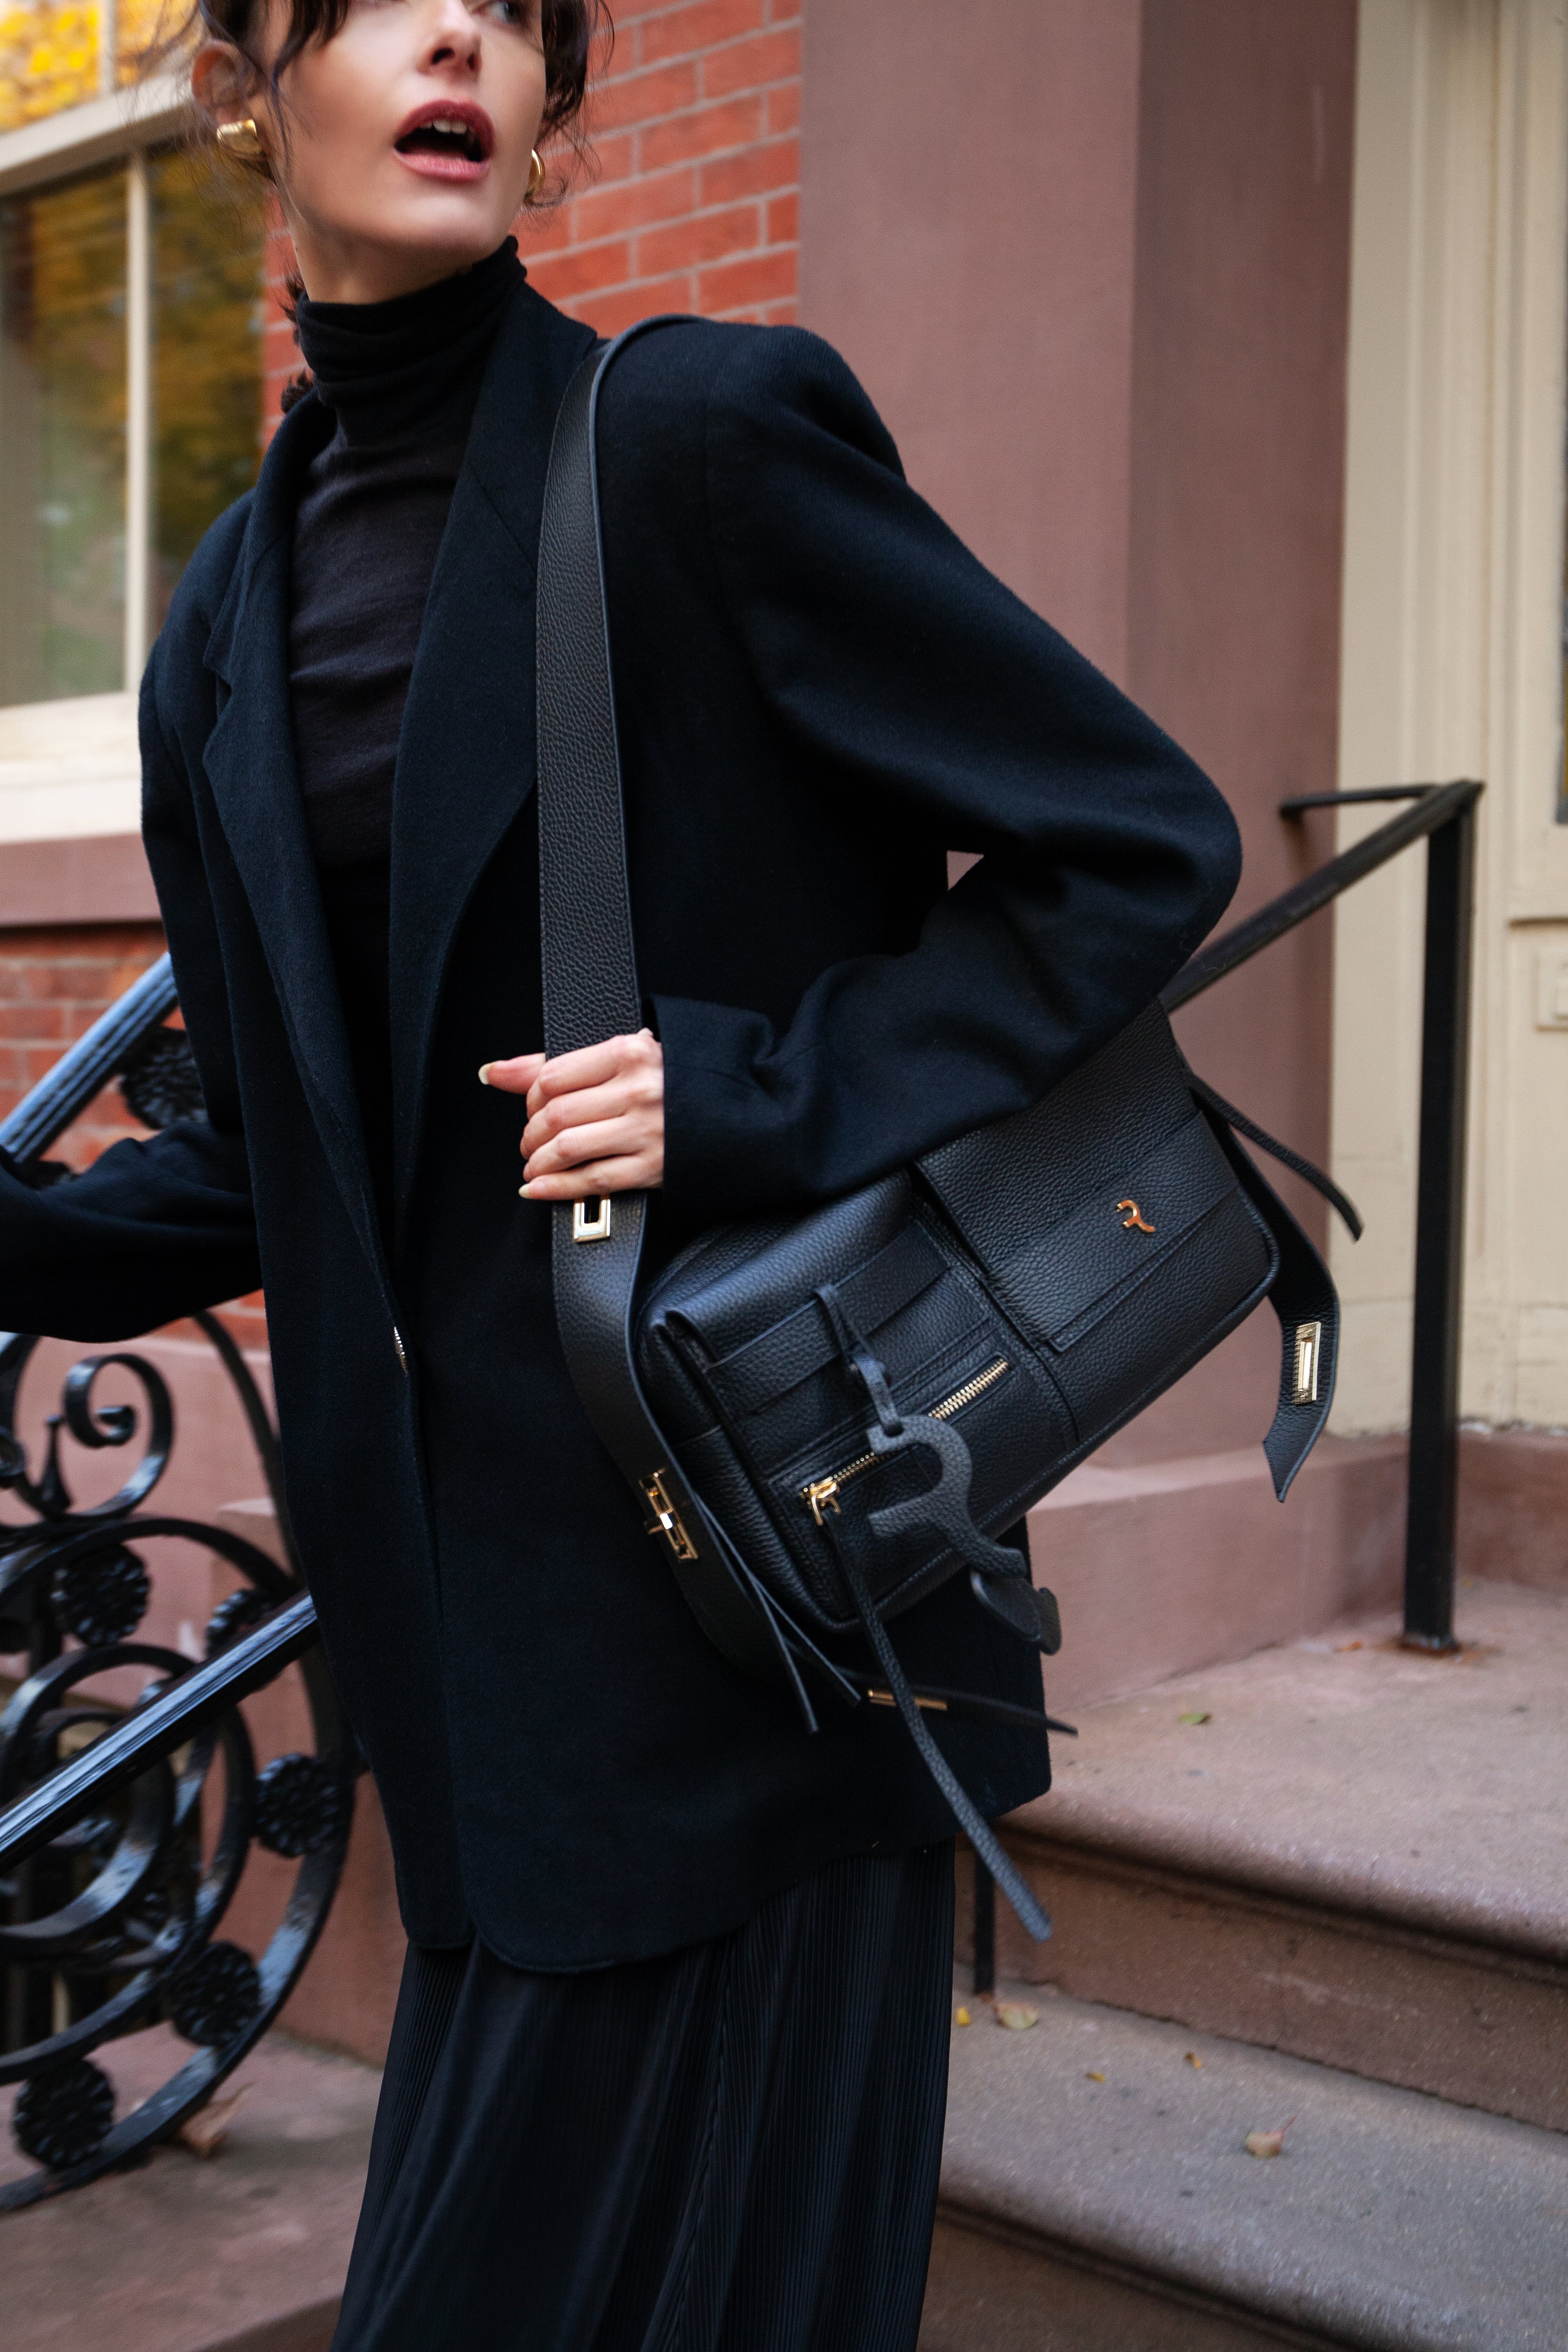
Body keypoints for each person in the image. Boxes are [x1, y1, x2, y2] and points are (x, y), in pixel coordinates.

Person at [0, 1, 1242, 2342]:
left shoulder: (694, 438)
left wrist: (750, 1087)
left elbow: (1132, 840)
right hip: (476, 1694)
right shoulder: (214, 639)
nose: (465, 22)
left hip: (762, 1611)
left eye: (518, 2)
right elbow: (279, 1168)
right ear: (251, 75)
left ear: (552, 98)